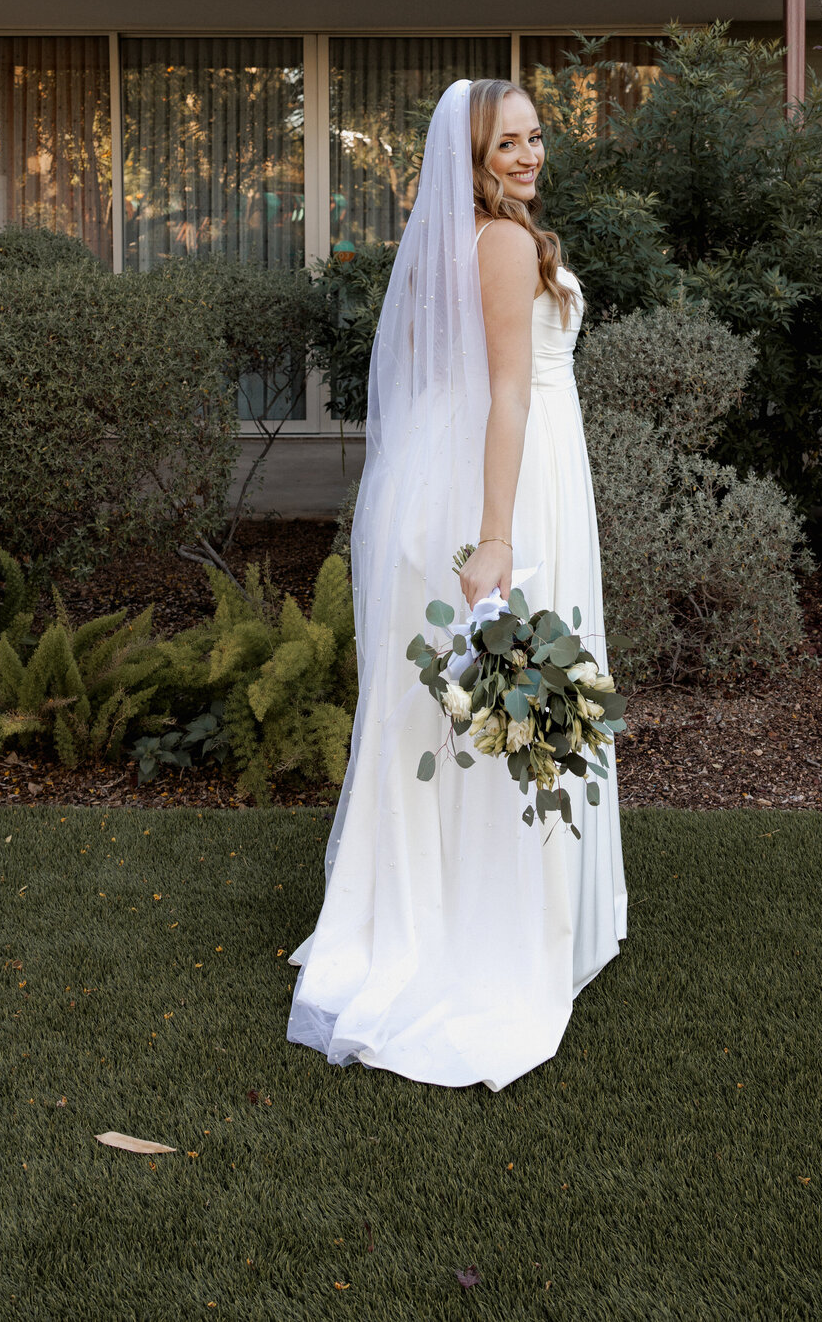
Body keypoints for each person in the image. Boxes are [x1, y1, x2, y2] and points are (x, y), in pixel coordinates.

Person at [285, 78, 627, 1091]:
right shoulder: (507, 244)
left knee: (465, 714)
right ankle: (505, 926)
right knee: (506, 698)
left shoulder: (463, 239)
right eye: (507, 142)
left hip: (466, 475)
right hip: (514, 490)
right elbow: (507, 396)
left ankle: (460, 904)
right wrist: (493, 538)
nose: (528, 155)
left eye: (534, 137)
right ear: (471, 157)